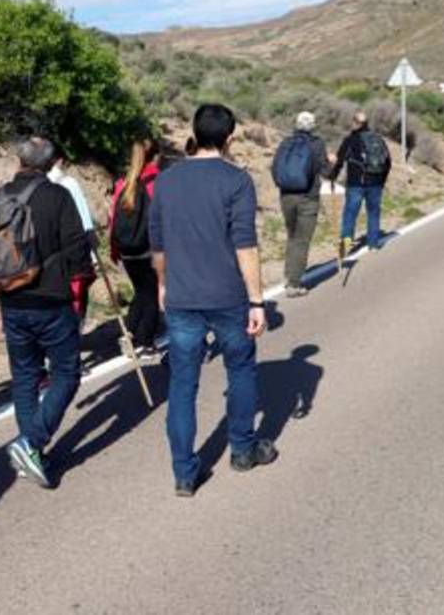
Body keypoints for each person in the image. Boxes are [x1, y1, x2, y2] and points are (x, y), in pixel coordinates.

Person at [150, 105, 278, 498]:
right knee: (240, 369)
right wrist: (257, 300)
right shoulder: (236, 181)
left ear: (194, 133)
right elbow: (245, 244)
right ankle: (242, 449)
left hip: (182, 296)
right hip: (227, 296)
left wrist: (162, 283)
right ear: (230, 137)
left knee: (183, 383)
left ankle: (184, 473)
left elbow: (157, 243)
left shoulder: (167, 181)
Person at [0, 137, 91, 489]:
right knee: (67, 374)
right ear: (50, 163)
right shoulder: (58, 197)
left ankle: (34, 450)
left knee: (26, 377)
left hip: (11, 300)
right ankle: (31, 442)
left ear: (19, 160)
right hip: (51, 301)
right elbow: (77, 255)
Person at [108, 138, 162, 359]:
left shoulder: (122, 182)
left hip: (127, 249)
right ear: (156, 156)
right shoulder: (156, 181)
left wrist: (114, 249)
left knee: (141, 290)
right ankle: (146, 343)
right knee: (151, 294)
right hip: (148, 248)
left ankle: (129, 331)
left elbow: (112, 219)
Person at [274, 111, 332, 297]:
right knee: (302, 240)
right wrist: (331, 163)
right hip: (308, 197)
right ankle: (294, 283)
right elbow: (326, 172)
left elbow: (274, 168)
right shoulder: (317, 144)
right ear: (313, 126)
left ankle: (289, 274)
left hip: (286, 196)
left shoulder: (285, 143)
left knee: (292, 236)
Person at [330, 110, 392, 254]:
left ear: (356, 123)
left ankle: (346, 245)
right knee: (373, 213)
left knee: (350, 213)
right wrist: (381, 181)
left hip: (355, 184)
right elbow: (388, 162)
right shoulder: (378, 139)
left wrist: (332, 176)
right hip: (375, 183)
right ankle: (373, 244)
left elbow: (339, 161)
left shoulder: (350, 140)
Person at [47, 155, 98, 319]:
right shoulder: (69, 183)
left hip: (47, 255)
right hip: (73, 253)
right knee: (76, 297)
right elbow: (84, 219)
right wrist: (93, 253)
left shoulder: (38, 185)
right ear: (60, 160)